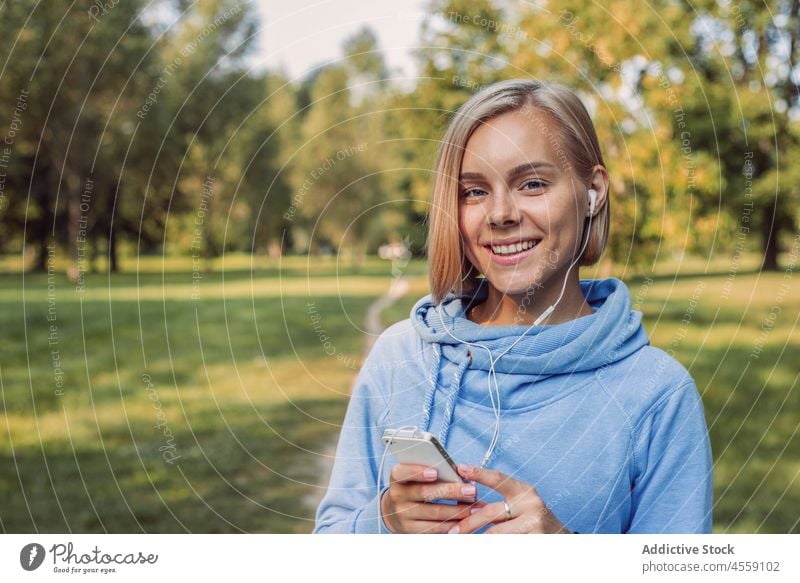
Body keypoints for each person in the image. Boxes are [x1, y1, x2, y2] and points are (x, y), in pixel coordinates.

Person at [313, 79, 713, 534]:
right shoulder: (398, 359)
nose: (500, 214)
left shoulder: (657, 395)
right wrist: (385, 523)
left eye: (533, 183)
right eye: (474, 191)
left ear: (593, 192)